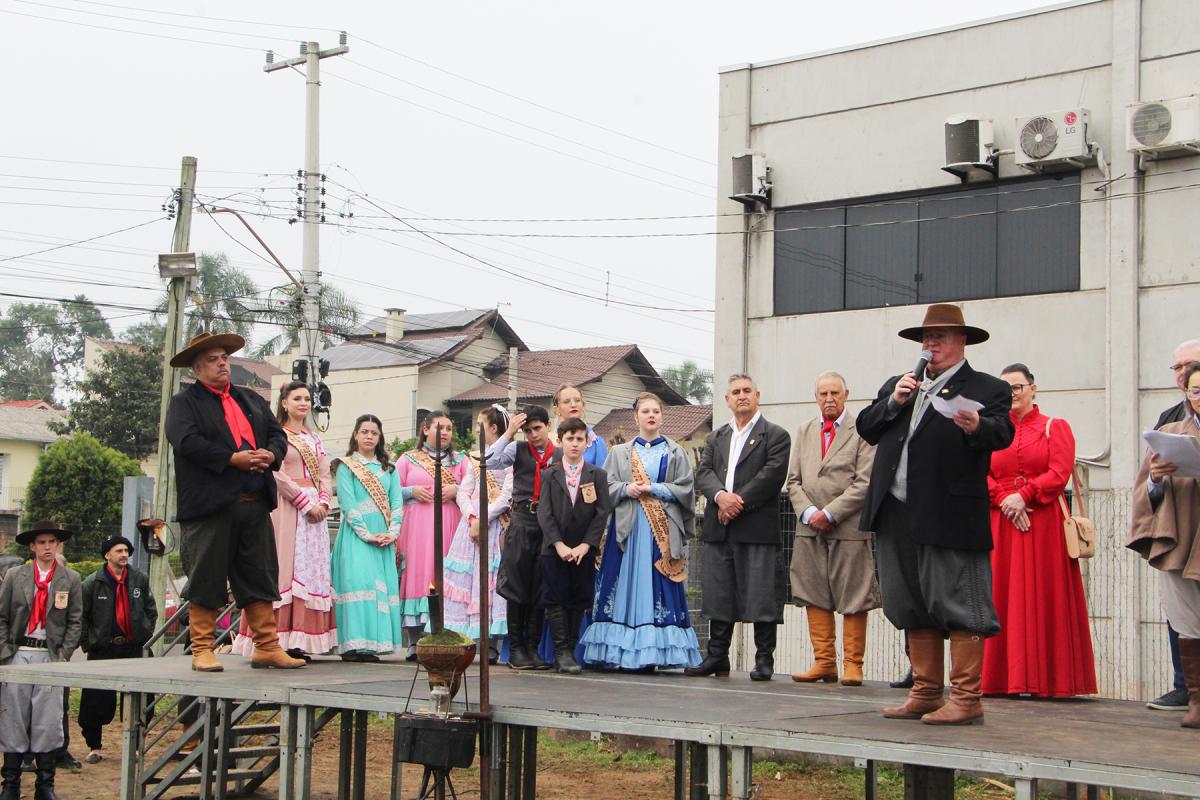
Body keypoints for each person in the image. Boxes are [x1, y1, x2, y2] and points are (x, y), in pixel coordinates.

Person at [858, 303, 1013, 725]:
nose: (930, 344)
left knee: (960, 601)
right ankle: (926, 691)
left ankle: (966, 697)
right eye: (926, 338)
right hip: (896, 511)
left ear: (962, 341)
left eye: (940, 337)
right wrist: (893, 402)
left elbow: (1003, 432)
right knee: (910, 601)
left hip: (950, 513)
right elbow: (867, 427)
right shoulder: (900, 385)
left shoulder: (987, 387)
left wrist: (976, 427)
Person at [164, 331, 304, 671]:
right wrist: (232, 458)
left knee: (260, 575)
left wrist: (270, 454)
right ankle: (201, 648)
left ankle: (267, 646)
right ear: (197, 368)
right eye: (212, 359)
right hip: (211, 506)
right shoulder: (186, 403)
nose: (222, 363)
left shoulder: (250, 399)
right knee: (206, 577)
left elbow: (276, 434)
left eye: (224, 357)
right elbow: (186, 442)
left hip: (254, 501)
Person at [983, 364, 1096, 698]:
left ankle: (1051, 681)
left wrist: (1025, 495)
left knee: (1046, 595)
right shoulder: (991, 431)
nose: (1012, 395)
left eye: (1017, 387)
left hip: (1043, 523)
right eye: (1006, 390)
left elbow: (1060, 471)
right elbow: (978, 472)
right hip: (1002, 522)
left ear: (1033, 389)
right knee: (1001, 595)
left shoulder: (1054, 427)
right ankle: (1002, 679)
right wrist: (1005, 498)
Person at [581, 394, 701, 671]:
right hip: (628, 527)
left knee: (658, 584)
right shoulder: (619, 452)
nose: (651, 415)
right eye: (645, 411)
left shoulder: (675, 452)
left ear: (661, 416)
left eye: (656, 411)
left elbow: (686, 488)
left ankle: (657, 653)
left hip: (661, 529)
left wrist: (654, 489)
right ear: (635, 417)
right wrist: (626, 489)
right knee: (621, 582)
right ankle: (619, 651)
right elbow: (605, 487)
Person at [691, 375, 791, 681]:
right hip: (719, 527)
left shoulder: (775, 435)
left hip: (756, 526)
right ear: (727, 400)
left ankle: (764, 660)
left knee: (762, 595)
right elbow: (704, 472)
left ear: (758, 395)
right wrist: (721, 497)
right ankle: (717, 656)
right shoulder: (716, 437)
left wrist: (737, 503)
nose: (742, 396)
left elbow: (772, 476)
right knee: (720, 594)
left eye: (747, 391)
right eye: (735, 392)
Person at [786, 371, 879, 687]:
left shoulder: (863, 431)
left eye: (834, 393)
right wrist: (810, 512)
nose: (829, 399)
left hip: (848, 527)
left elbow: (865, 483)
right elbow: (793, 481)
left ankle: (853, 664)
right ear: (816, 397)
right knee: (812, 591)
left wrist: (830, 512)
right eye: (823, 394)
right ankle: (824, 662)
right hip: (809, 528)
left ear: (846, 394)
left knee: (854, 594)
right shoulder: (805, 430)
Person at [232, 381, 336, 660]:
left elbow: (325, 473)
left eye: (306, 399)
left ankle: (302, 639)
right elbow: (275, 473)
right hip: (288, 507)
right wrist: (303, 501)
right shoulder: (277, 436)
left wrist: (324, 501)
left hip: (316, 510)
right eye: (297, 398)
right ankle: (276, 639)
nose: (303, 403)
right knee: (285, 567)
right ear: (284, 403)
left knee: (311, 569)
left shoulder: (315, 439)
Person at [1129, 362, 1200, 728]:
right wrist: (1156, 478)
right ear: (1186, 395)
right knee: (1188, 621)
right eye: (1196, 390)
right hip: (1183, 537)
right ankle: (1197, 701)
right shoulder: (1171, 431)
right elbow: (1146, 491)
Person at [0, 521, 82, 800]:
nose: (48, 548)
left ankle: (45, 786)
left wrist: (63, 655)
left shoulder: (70, 578)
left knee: (47, 721)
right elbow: (1, 616)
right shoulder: (15, 575)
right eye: (42, 543)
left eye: (52, 543)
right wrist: (4, 652)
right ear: (32, 547)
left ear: (58, 545)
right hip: (19, 653)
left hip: (49, 655)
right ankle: (10, 784)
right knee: (13, 717)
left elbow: (75, 621)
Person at [1147, 339, 1200, 711]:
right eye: (1178, 368)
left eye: (1190, 366)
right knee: (1181, 611)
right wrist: (1154, 478)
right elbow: (1146, 479)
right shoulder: (1170, 419)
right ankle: (1187, 688)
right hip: (1183, 526)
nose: (1182, 373)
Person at [486, 405, 560, 670]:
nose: (533, 435)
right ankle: (516, 648)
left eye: (537, 428)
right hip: (521, 520)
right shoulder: (517, 449)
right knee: (517, 585)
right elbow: (489, 460)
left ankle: (533, 647)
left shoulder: (559, 454)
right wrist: (509, 432)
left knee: (541, 586)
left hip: (548, 524)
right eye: (527, 430)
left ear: (548, 426)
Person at [537, 417, 613, 673]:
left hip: (583, 551)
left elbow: (601, 513)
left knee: (578, 598)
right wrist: (558, 544)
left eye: (580, 439)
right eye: (569, 439)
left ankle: (570, 647)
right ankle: (561, 651)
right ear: (560, 441)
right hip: (554, 550)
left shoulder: (597, 475)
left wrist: (586, 545)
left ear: (586, 442)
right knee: (555, 598)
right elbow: (544, 513)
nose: (575, 444)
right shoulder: (549, 474)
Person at [331, 414, 406, 661]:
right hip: (356, 537)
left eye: (374, 433)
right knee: (357, 584)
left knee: (378, 589)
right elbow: (348, 503)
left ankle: (373, 644)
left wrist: (392, 533)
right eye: (364, 431)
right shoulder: (346, 466)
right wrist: (367, 534)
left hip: (383, 538)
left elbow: (397, 503)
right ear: (355, 434)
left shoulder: (389, 469)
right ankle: (352, 645)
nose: (369, 436)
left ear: (380, 437)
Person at [78, 535, 157, 764]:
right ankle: (94, 746)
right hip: (104, 649)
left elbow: (151, 611)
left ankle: (134, 746)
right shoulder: (93, 582)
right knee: (95, 700)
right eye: (119, 551)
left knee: (141, 699)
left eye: (126, 551)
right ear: (107, 555)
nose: (124, 554)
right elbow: (82, 616)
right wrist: (89, 642)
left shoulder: (139, 579)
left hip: (134, 648)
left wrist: (144, 633)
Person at [396, 412, 468, 658]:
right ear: (425, 430)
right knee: (417, 573)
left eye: (449, 428)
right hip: (416, 529)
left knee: (446, 575)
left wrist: (456, 489)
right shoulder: (408, 459)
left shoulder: (461, 460)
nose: (446, 432)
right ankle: (416, 640)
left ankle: (446, 634)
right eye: (440, 427)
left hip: (449, 524)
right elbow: (390, 491)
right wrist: (411, 491)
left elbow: (476, 488)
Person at [445, 405, 513, 662]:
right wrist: (471, 516)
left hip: (495, 523)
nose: (475, 430)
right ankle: (468, 638)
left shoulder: (509, 456)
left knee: (492, 580)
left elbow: (507, 495)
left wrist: (483, 517)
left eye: (480, 425)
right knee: (469, 581)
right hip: (471, 523)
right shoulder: (473, 457)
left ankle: (493, 642)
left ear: (493, 428)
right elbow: (463, 490)